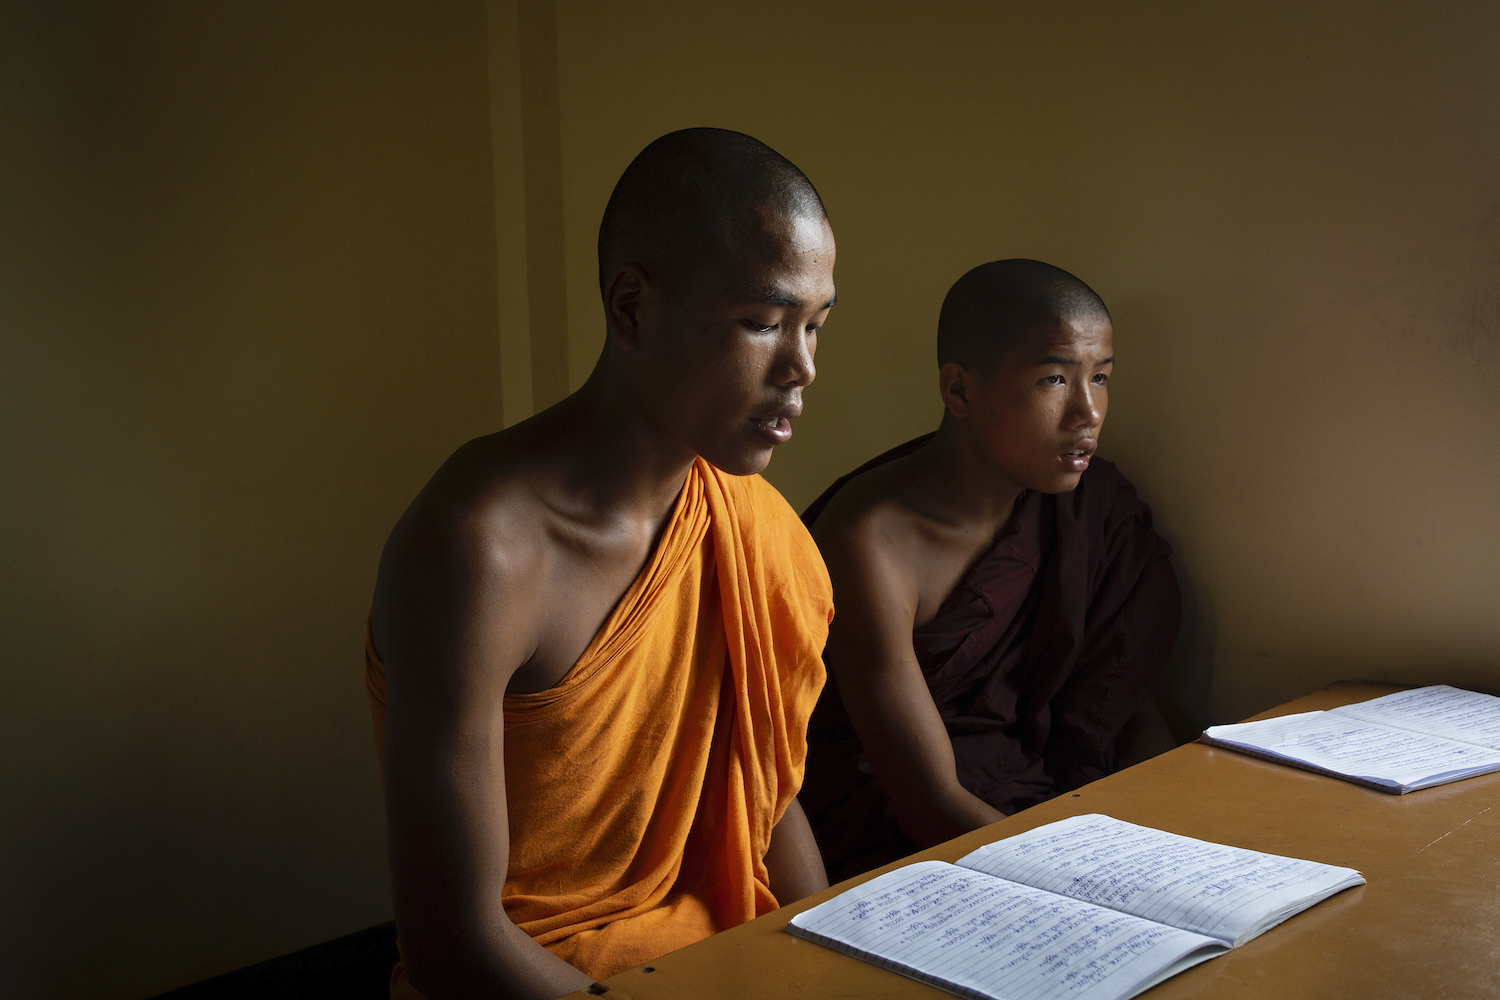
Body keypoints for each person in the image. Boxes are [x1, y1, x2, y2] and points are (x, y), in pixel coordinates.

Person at [364, 128, 838, 1000]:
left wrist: (837, 966)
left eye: (815, 325)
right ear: (631, 308)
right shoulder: (479, 550)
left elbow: (763, 809)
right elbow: (453, 945)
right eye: (762, 324)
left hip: (729, 963)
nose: (801, 367)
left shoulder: (747, 523)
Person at [800, 259, 1180, 882]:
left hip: (1038, 803)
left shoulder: (1087, 509)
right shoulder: (871, 540)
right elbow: (928, 804)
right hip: (895, 832)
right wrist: (1087, 884)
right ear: (960, 391)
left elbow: (1120, 706)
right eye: (1055, 378)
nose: (1087, 412)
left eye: (1102, 377)